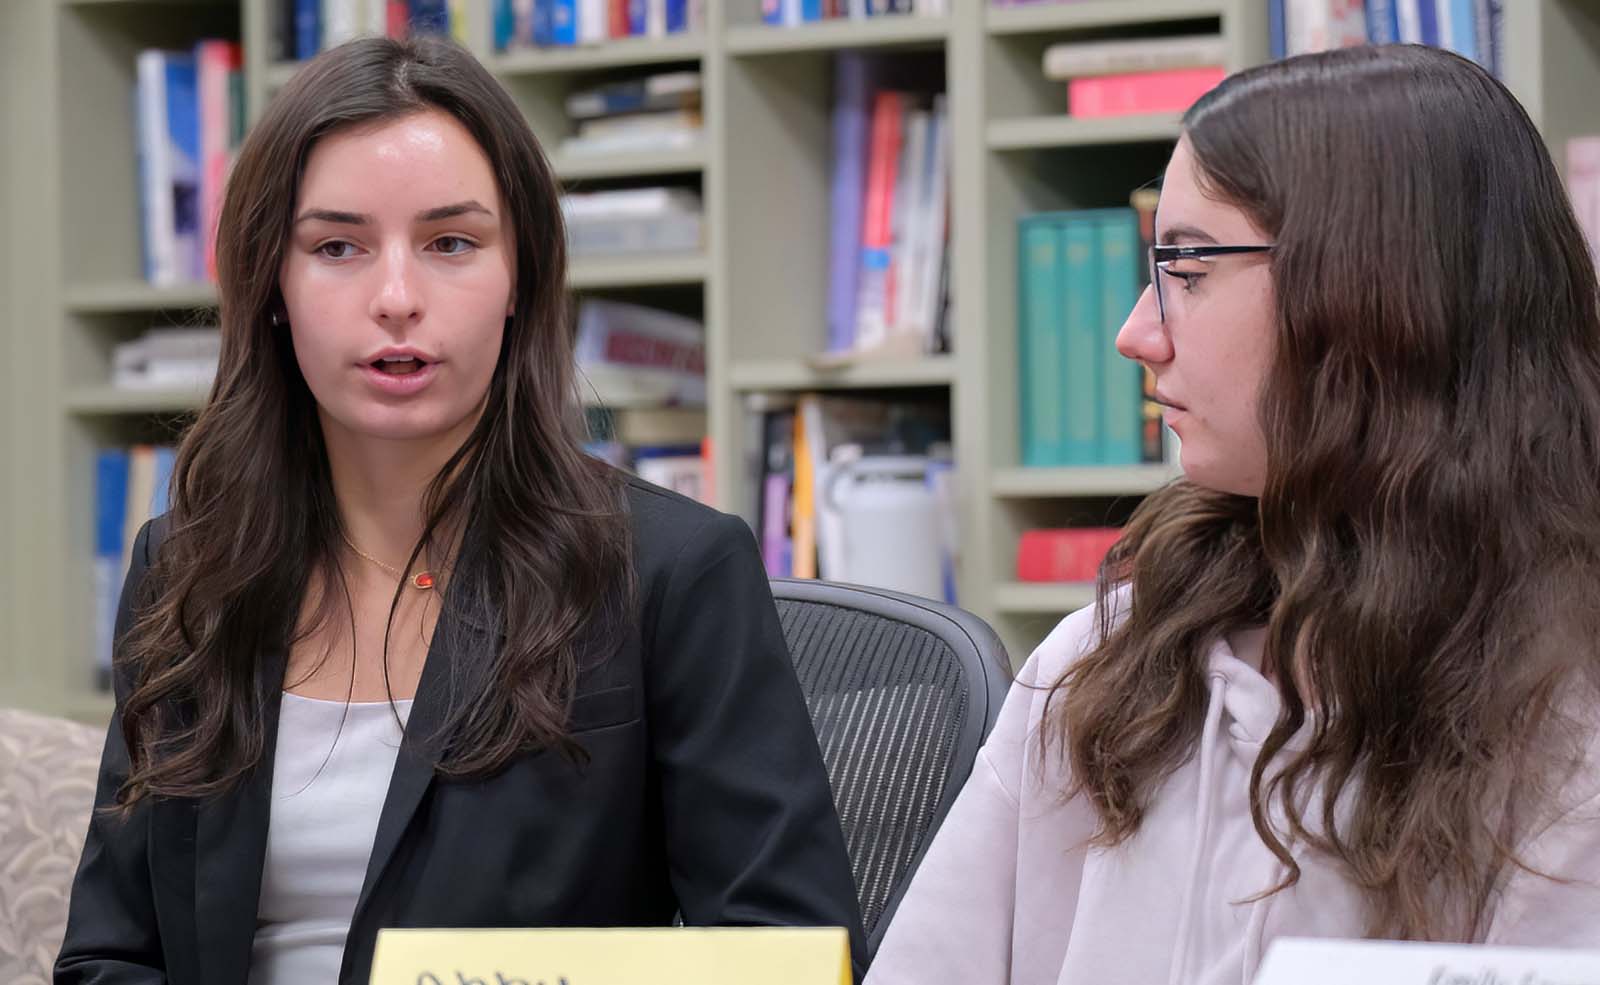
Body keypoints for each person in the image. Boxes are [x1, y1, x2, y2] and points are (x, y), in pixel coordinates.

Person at [56, 36, 865, 985]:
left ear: (520, 275)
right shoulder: (189, 569)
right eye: (337, 247)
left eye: (451, 243)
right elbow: (110, 955)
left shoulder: (671, 571)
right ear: (274, 285)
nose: (396, 298)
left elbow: (793, 957)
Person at [866, 43, 1600, 985]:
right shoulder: (1101, 663)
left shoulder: (1563, 720)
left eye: (1190, 265)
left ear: (1374, 295)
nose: (1136, 332)